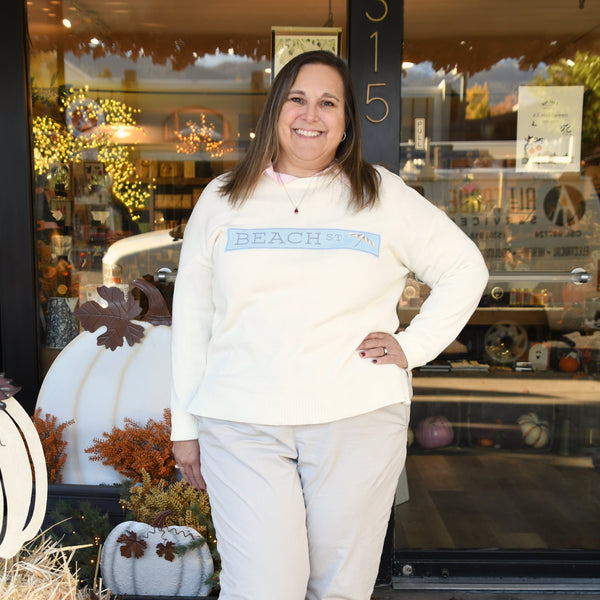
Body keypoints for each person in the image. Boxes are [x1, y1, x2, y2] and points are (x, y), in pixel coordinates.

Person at [171, 50, 488, 600]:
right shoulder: (223, 199)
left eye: (327, 102)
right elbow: (193, 314)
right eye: (296, 98)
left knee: (339, 587)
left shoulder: (381, 193)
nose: (309, 114)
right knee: (263, 588)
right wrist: (185, 428)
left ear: (345, 123)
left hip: (356, 418)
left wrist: (413, 347)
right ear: (275, 110)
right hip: (241, 420)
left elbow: (465, 268)